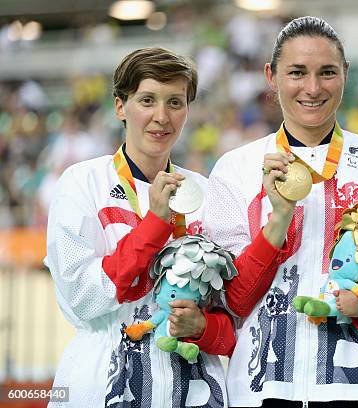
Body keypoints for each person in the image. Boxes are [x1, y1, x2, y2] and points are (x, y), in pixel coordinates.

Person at [204, 16, 358, 408]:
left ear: (345, 74)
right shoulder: (235, 169)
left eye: (327, 72)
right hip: (260, 389)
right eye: (296, 72)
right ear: (271, 76)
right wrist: (279, 220)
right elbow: (231, 298)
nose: (312, 88)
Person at [46, 47, 239, 407]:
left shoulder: (206, 192)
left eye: (175, 103)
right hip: (103, 382)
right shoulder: (81, 182)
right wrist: (155, 224)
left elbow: (234, 319)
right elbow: (83, 298)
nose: (161, 117)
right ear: (121, 106)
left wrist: (203, 328)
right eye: (147, 100)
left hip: (195, 389)